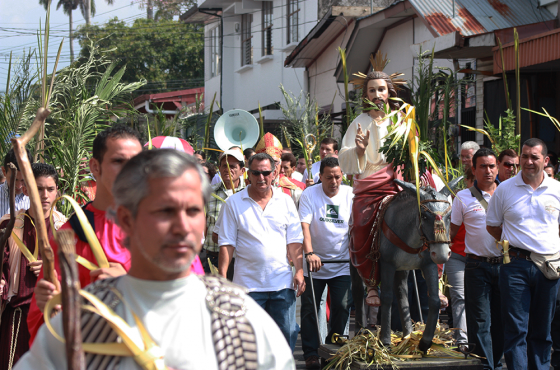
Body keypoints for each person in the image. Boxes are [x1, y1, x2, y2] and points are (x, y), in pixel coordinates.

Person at [14, 149, 295, 370]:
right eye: (164, 210)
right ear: (127, 219)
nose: (182, 226)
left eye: (193, 210)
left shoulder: (239, 320)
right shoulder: (85, 323)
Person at [26, 124, 145, 344]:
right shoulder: (69, 236)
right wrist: (50, 307)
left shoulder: (161, 229)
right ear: (95, 167)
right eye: (118, 161)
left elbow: (188, 310)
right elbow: (43, 327)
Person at [218, 152, 305, 351]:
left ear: (274, 173)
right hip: (247, 287)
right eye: (256, 173)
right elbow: (226, 244)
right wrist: (222, 278)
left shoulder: (285, 201)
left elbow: (294, 241)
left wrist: (299, 271)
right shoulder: (233, 203)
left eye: (265, 173)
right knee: (250, 344)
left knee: (286, 338)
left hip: (282, 284)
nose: (261, 178)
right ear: (248, 174)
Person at [487, 138, 560, 370]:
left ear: (546, 160)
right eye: (525, 156)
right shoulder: (505, 189)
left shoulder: (557, 190)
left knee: (542, 331)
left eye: (534, 157)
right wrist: (516, 245)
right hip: (515, 265)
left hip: (548, 267)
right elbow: (492, 226)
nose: (528, 161)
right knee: (516, 330)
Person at [338, 70, 403, 325]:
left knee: (429, 214)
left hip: (396, 181)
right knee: (361, 224)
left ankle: (436, 276)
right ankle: (371, 282)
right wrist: (359, 149)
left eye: (382, 89)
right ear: (366, 95)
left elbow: (413, 148)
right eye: (372, 90)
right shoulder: (359, 122)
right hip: (368, 183)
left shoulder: (401, 120)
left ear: (389, 92)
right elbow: (344, 159)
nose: (378, 94)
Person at [0, 163, 66, 368]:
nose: (45, 195)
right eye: (38, 188)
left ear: (57, 191)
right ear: (26, 190)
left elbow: (75, 274)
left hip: (51, 317)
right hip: (17, 317)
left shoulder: (65, 228)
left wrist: (51, 268)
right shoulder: (9, 225)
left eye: (50, 189)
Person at [450, 148, 503, 370]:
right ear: (474, 169)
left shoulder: (507, 192)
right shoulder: (462, 197)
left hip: (506, 266)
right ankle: (486, 367)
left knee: (500, 322)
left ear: (497, 168)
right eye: (482, 166)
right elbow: (450, 234)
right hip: (475, 265)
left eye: (492, 166)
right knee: (479, 321)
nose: (488, 171)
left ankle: (497, 363)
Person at [299, 157, 354, 369]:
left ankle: (333, 348)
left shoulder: (350, 194)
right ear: (319, 176)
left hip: (341, 262)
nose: (334, 181)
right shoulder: (309, 194)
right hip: (315, 264)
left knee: (342, 306)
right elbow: (304, 226)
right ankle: (311, 353)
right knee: (311, 309)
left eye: (337, 177)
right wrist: (310, 253)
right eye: (329, 177)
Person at [202, 149, 245, 278]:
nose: (228, 169)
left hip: (240, 260)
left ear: (242, 171)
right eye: (224, 166)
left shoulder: (248, 194)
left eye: (232, 166)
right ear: (219, 168)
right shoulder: (208, 193)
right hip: (211, 257)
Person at [445, 166, 474, 345]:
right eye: (471, 180)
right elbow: (450, 230)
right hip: (457, 255)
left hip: (480, 257)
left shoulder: (496, 196)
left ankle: (477, 339)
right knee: (460, 297)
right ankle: (462, 341)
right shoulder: (459, 198)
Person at [255, 133, 305, 207]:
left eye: (275, 162)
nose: (271, 166)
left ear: (280, 163)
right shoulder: (251, 187)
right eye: (267, 161)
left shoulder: (295, 189)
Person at [0, 148, 32, 217]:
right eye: (14, 180)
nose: (19, 186)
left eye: (23, 180)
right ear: (4, 171)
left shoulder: (39, 197)